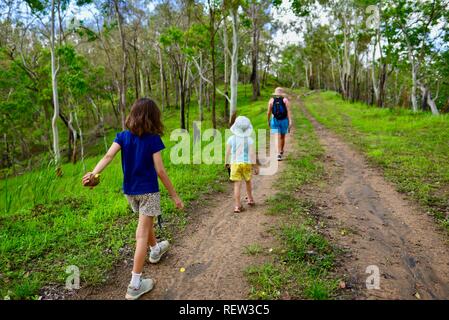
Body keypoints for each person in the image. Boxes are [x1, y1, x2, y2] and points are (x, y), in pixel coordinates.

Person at [82, 98, 184, 300]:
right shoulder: (153, 139)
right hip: (148, 192)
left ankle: (155, 250)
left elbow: (107, 157)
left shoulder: (122, 136)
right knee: (141, 235)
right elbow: (161, 171)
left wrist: (94, 174)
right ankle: (135, 284)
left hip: (130, 193)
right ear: (153, 118)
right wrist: (175, 196)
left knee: (146, 224)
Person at [225, 116, 259, 213]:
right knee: (248, 181)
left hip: (235, 164)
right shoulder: (249, 140)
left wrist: (226, 162)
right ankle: (250, 199)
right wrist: (255, 166)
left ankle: (237, 206)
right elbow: (252, 154)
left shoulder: (231, 139)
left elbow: (227, 152)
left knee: (237, 185)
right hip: (246, 164)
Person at [267, 87, 293, 161]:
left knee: (276, 136)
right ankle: (281, 151)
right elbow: (288, 111)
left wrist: (268, 120)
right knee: (282, 136)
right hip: (284, 120)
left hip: (274, 120)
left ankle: (278, 154)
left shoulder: (271, 101)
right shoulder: (285, 100)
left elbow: (268, 112)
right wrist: (290, 120)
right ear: (282, 93)